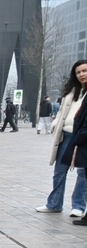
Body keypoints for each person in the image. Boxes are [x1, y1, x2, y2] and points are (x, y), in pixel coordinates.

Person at [37, 60, 87, 217]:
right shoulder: (71, 93)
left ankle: (78, 206)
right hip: (66, 135)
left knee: (83, 173)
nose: (82, 74)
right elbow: (61, 113)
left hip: (84, 136)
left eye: (84, 71)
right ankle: (54, 204)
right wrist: (55, 123)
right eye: (78, 72)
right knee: (59, 170)